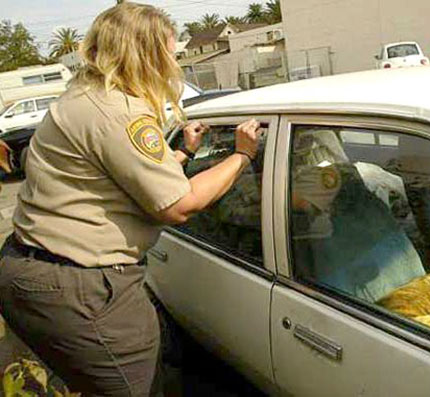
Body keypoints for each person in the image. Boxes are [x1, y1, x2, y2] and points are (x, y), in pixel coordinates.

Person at [0, 3, 259, 396]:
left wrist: (184, 154)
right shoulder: (120, 112)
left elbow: (116, 176)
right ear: (147, 55)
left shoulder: (83, 97)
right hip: (80, 286)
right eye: (171, 55)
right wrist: (242, 155)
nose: (174, 65)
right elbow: (180, 205)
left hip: (32, 267)